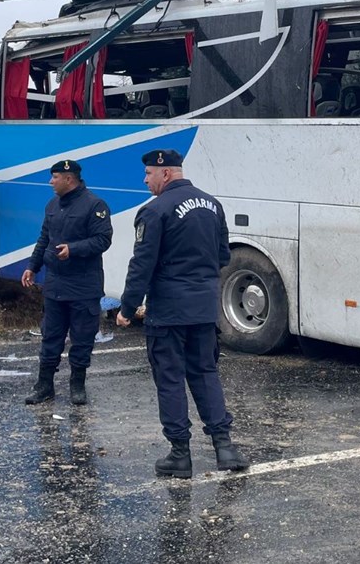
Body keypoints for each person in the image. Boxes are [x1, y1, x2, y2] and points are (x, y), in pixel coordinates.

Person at [117, 149, 249, 478]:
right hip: (204, 309)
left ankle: (180, 455)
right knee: (205, 373)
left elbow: (141, 265)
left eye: (149, 173)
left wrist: (127, 307)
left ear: (166, 173)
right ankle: (225, 448)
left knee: (170, 380)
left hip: (169, 311)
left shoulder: (155, 211)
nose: (145, 179)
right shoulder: (212, 205)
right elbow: (222, 256)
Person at [22, 159, 113, 406]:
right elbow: (44, 239)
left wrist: (74, 249)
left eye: (54, 177)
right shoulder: (52, 205)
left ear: (68, 179)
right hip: (55, 285)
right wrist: (32, 267)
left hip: (84, 285)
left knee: (82, 339)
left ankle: (77, 384)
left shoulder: (95, 205)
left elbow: (103, 240)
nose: (50, 182)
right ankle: (44, 385)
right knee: (50, 336)